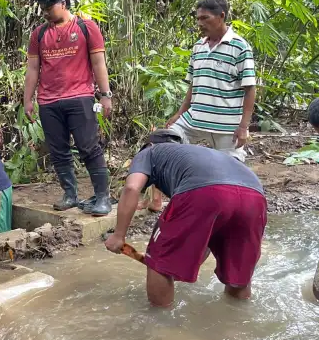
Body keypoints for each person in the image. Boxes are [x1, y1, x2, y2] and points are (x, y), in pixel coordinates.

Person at [105, 129, 267, 308]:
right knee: (239, 269)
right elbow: (204, 238)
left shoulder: (149, 152)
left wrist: (119, 236)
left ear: (149, 144)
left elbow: (131, 188)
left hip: (206, 191)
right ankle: (238, 319)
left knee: (159, 261)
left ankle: (160, 324)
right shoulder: (196, 155)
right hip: (255, 196)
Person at [142, 0, 257, 212]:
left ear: (221, 16)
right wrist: (179, 114)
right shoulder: (198, 47)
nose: (199, 23)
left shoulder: (240, 47)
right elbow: (192, 86)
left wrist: (243, 127)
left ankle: (232, 213)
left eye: (205, 18)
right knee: (160, 143)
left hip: (226, 125)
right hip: (195, 118)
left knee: (230, 175)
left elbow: (250, 88)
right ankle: (156, 199)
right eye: (198, 18)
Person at [23, 0, 113, 216]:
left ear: (63, 4)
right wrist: (28, 99)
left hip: (80, 97)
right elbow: (33, 69)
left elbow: (98, 63)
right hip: (49, 101)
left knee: (88, 146)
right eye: (42, 7)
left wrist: (105, 95)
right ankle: (70, 194)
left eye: (48, 7)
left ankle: (103, 197)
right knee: (58, 150)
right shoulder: (39, 34)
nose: (44, 12)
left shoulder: (86, 28)